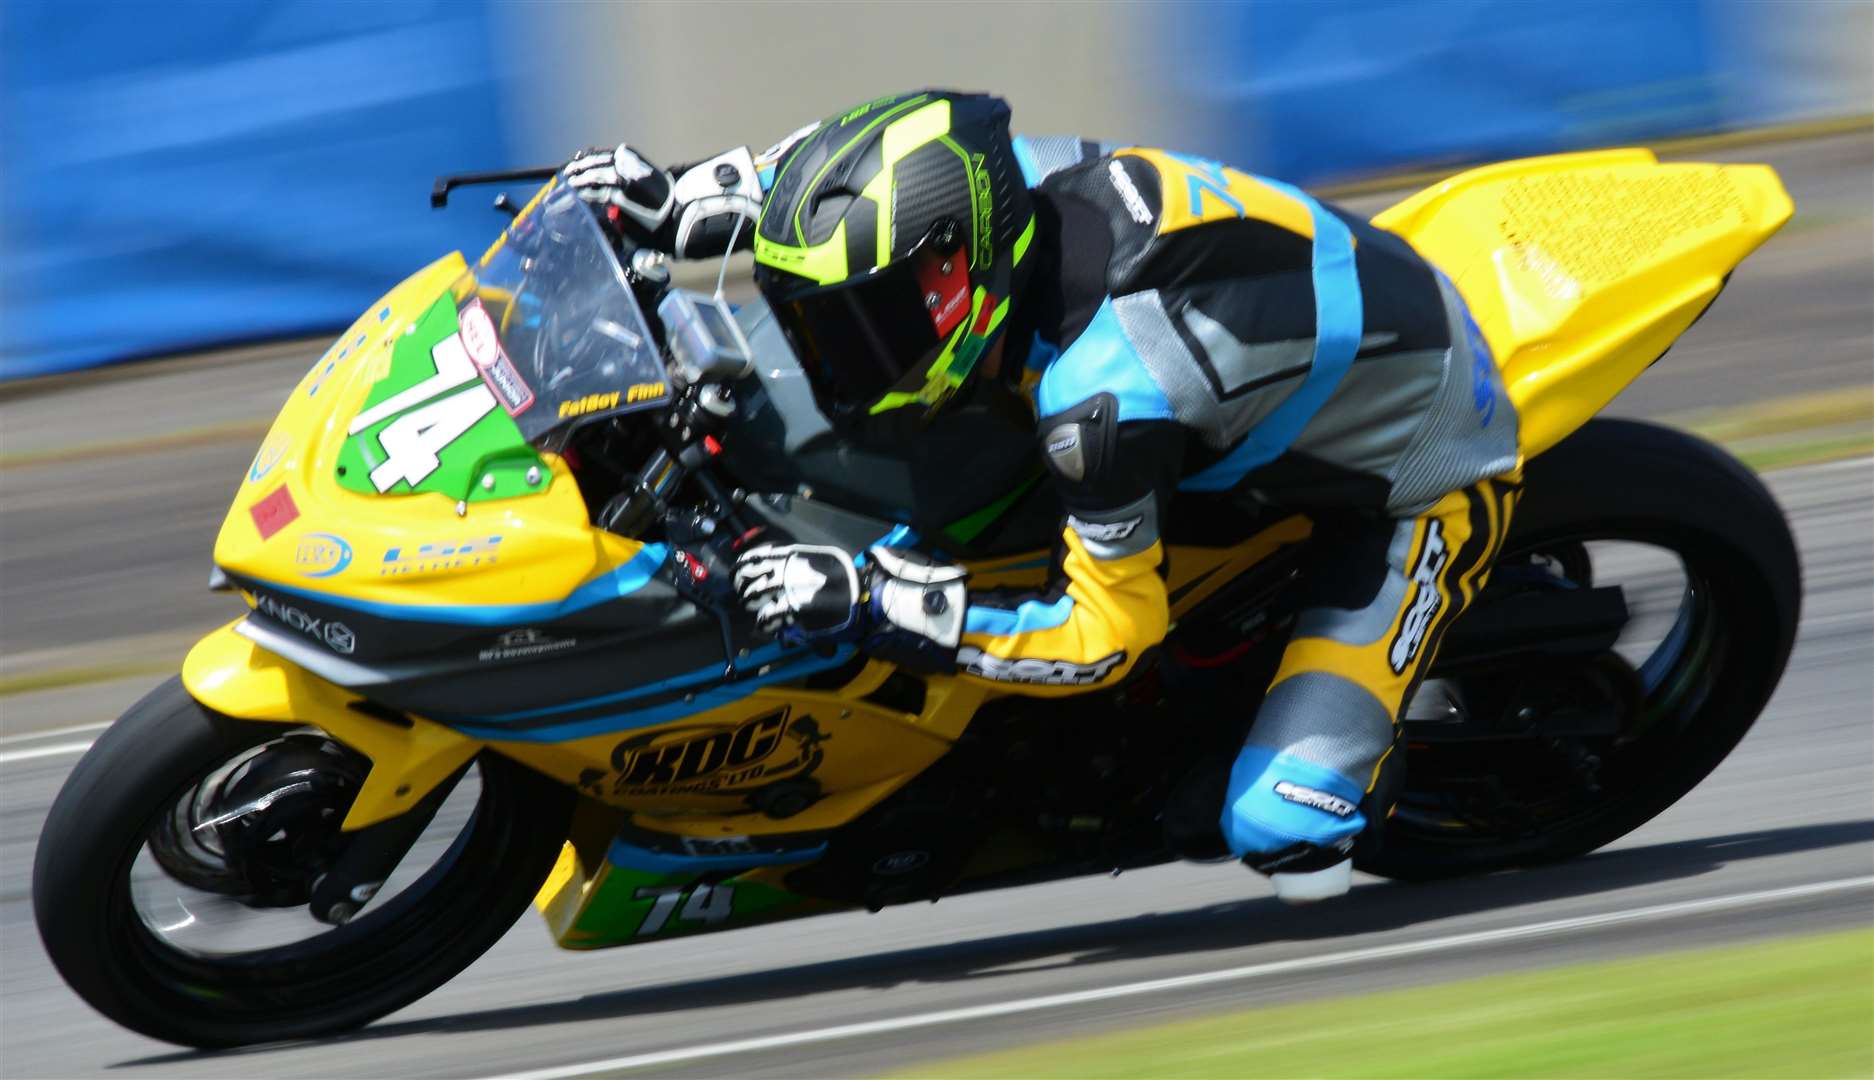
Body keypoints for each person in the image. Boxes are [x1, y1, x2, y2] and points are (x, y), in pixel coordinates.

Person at [563, 90, 1521, 902]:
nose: (838, 357)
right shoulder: (991, 182)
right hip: (1279, 352)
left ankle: (1363, 757)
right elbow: (844, 173)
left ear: (956, 277)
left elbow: (1108, 640)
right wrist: (683, 193)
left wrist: (888, 606)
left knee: (1276, 827)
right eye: (825, 326)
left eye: (874, 322)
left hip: (1422, 467)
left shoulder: (1101, 401)